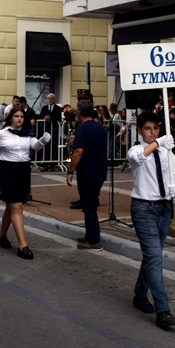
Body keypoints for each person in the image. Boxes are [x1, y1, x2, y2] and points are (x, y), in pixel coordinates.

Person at [126, 111, 175, 329]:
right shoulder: (136, 150)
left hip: (164, 208)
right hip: (143, 208)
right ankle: (163, 310)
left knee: (153, 256)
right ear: (140, 131)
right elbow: (139, 157)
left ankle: (140, 295)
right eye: (148, 129)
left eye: (156, 128)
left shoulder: (166, 152)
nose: (153, 132)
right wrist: (158, 143)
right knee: (154, 258)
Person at [0, 108, 52, 259]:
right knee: (17, 206)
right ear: (10, 118)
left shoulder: (27, 133)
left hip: (23, 170)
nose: (19, 119)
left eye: (21, 117)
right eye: (16, 116)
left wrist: (43, 141)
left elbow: (35, 146)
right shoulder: (1, 134)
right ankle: (22, 245)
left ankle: (2, 235)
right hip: (6, 171)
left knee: (12, 205)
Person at [67, 99, 108, 250]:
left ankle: (94, 240)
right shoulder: (100, 128)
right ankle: (89, 235)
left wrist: (70, 170)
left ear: (78, 113)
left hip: (88, 171)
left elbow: (78, 152)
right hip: (100, 170)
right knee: (89, 204)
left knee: (89, 207)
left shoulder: (82, 129)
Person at [39, 93, 62, 170]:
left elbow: (58, 117)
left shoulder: (57, 108)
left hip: (54, 130)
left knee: (54, 147)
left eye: (51, 98)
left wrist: (51, 118)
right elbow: (40, 116)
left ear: (54, 99)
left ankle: (52, 165)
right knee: (46, 147)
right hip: (46, 130)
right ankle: (45, 164)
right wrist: (45, 118)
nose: (50, 100)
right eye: (48, 98)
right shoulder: (44, 108)